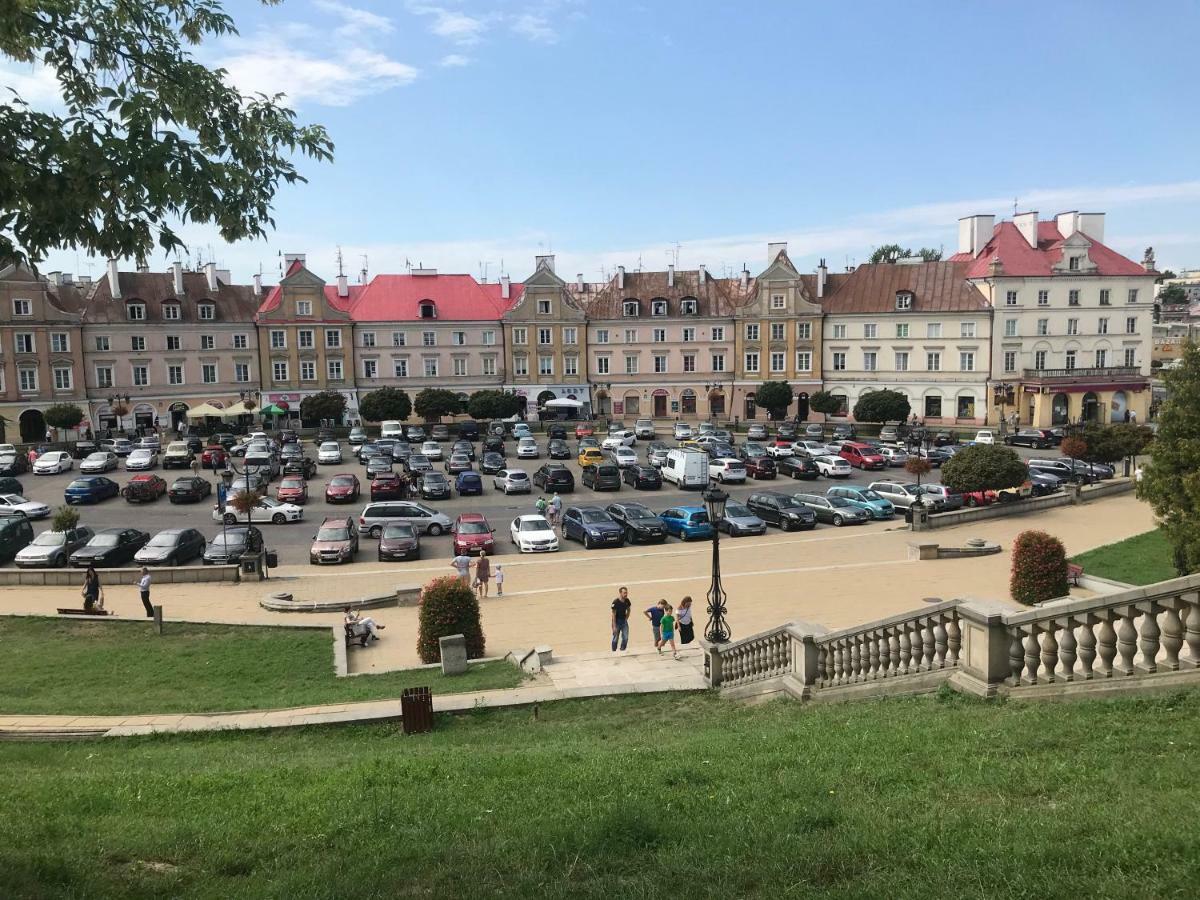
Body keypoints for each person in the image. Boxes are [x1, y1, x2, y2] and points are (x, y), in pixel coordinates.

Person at [611, 586, 632, 652]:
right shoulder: (615, 602)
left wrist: (626, 618)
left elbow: (628, 610)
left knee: (625, 638)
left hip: (624, 622)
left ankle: (622, 650)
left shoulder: (627, 601)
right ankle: (614, 651)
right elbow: (613, 615)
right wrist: (614, 626)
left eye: (626, 593)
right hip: (616, 622)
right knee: (615, 639)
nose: (626, 594)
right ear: (620, 593)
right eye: (624, 593)